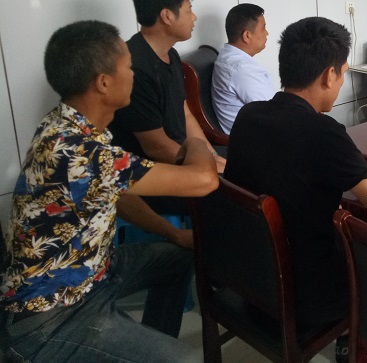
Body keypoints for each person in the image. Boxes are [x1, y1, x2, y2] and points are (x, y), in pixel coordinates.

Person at [0, 20, 219, 362]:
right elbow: (204, 180)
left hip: (95, 272)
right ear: (103, 83)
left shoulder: (65, 123)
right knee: (184, 360)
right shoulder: (81, 153)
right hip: (51, 317)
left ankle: (144, 345)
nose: (133, 75)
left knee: (176, 260)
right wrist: (195, 142)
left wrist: (172, 233)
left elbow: (117, 197)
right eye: (128, 68)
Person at [224, 16, 367, 333]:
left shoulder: (248, 117)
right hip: (305, 298)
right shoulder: (324, 132)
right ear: (329, 75)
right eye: (344, 73)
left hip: (248, 279)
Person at [109, 0, 225, 244]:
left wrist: (211, 156)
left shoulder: (170, 55)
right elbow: (157, 148)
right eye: (189, 9)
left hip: (182, 160)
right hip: (148, 178)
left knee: (237, 177)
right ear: (167, 16)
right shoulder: (134, 66)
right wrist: (209, 168)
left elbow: (185, 113)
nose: (194, 17)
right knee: (231, 196)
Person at [212, 3, 275, 134]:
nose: (267, 33)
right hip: (256, 139)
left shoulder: (231, 60)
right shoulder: (240, 69)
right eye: (263, 28)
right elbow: (273, 113)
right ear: (247, 35)